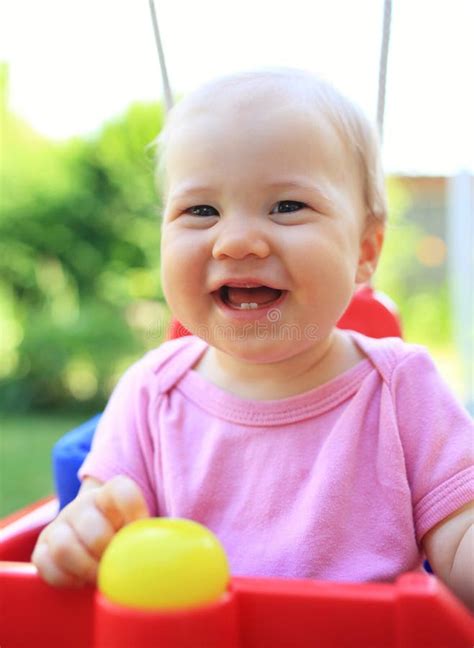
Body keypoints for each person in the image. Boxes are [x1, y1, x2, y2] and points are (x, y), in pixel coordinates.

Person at [32, 68, 473, 609]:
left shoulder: (403, 389)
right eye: (201, 210)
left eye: (287, 206)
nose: (236, 242)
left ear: (365, 251)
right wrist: (77, 539)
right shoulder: (151, 394)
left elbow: (459, 543)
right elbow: (97, 517)